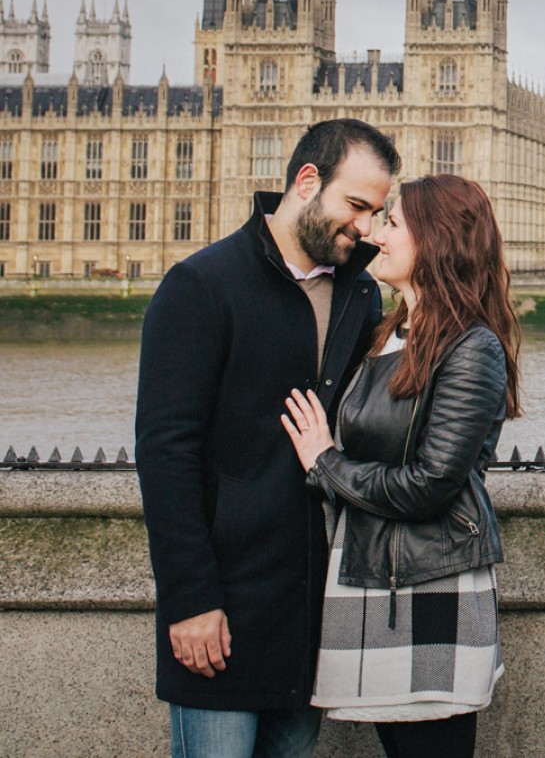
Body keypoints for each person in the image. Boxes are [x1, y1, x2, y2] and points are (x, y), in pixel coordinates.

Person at [136, 117, 401, 758]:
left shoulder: (358, 293)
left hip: (310, 612)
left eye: (377, 213)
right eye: (357, 206)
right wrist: (190, 600)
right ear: (307, 181)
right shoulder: (202, 285)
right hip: (223, 605)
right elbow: (166, 454)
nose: (365, 227)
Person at [281, 173, 520, 758]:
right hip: (373, 576)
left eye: (393, 223)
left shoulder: (472, 346)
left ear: (435, 241)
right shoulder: (390, 334)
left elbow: (431, 484)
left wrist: (324, 462)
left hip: (428, 582)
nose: (376, 235)